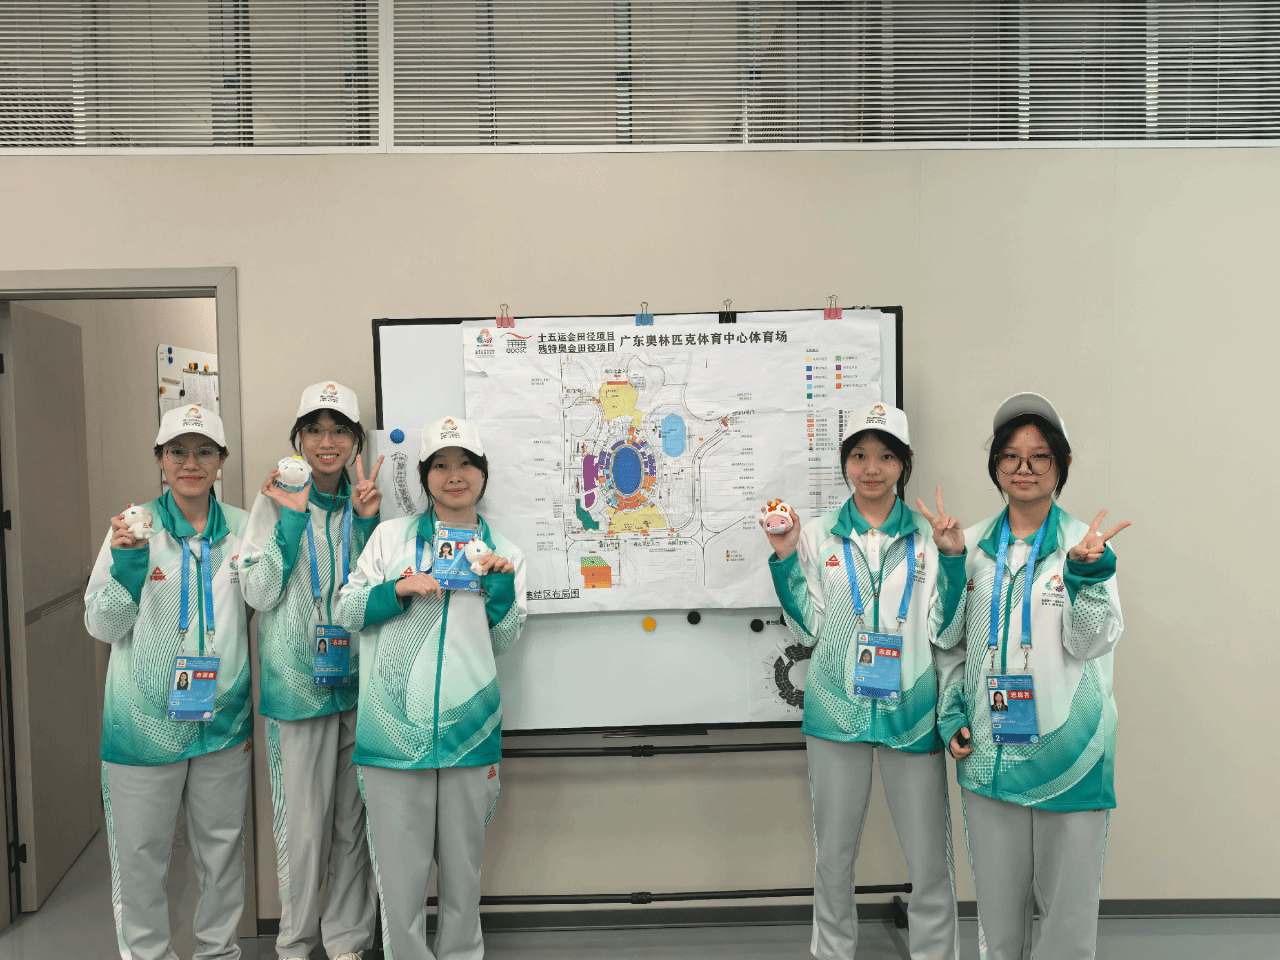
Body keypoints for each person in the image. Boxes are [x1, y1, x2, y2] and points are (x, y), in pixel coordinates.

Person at [928, 392, 1128, 960]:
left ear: (1061, 465)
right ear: (996, 466)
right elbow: (949, 642)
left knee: (1066, 922)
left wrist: (1087, 577)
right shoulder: (969, 546)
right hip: (989, 754)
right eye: (1011, 456)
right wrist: (951, 715)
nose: (1025, 467)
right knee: (998, 921)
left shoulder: (1085, 546)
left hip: (1071, 757)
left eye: (1040, 456)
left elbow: (1090, 643)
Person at [765, 403, 959, 960]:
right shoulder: (819, 534)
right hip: (836, 711)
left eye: (886, 456)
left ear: (903, 465)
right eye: (859, 456)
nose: (872, 468)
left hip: (912, 713)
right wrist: (784, 557)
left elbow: (945, 630)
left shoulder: (928, 537)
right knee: (833, 856)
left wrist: (951, 561)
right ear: (845, 462)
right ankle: (832, 952)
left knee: (929, 859)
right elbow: (808, 626)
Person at [337, 416, 526, 960]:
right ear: (424, 476)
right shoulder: (389, 538)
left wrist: (498, 588)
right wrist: (395, 591)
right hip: (392, 737)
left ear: (483, 473)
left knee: (464, 874)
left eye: (466, 463)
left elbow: (505, 640)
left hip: (470, 735)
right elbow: (346, 611)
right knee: (399, 878)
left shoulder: (505, 552)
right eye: (440, 465)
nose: (454, 475)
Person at [84, 404, 252, 960]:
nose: (190, 463)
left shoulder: (243, 526)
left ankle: (218, 952)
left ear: (221, 460)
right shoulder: (133, 528)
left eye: (204, 451)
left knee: (222, 852)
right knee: (140, 855)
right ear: (160, 459)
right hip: (141, 725)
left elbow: (264, 597)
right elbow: (102, 626)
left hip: (221, 721)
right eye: (177, 451)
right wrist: (129, 566)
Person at [237, 381, 381, 960]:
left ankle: (348, 943)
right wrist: (292, 522)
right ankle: (295, 945)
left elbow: (373, 595)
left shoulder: (364, 502)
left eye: (339, 430)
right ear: (298, 438)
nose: (327, 442)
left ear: (355, 441)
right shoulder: (274, 499)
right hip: (295, 692)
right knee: (300, 830)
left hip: (358, 688)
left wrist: (367, 523)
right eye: (316, 430)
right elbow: (257, 593)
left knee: (353, 826)